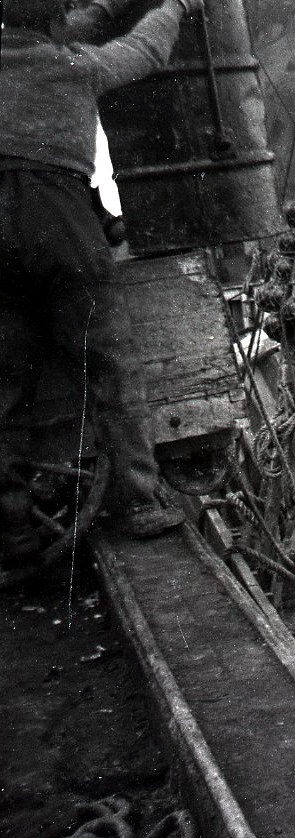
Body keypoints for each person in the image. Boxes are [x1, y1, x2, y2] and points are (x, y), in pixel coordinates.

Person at [0, 0, 201, 557]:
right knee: (112, 364)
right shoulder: (74, 65)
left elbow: (71, 27)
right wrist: (178, 5)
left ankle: (12, 533)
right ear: (54, 23)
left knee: (4, 389)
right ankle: (139, 501)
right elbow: (144, 50)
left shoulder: (45, 52)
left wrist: (109, 5)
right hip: (60, 222)